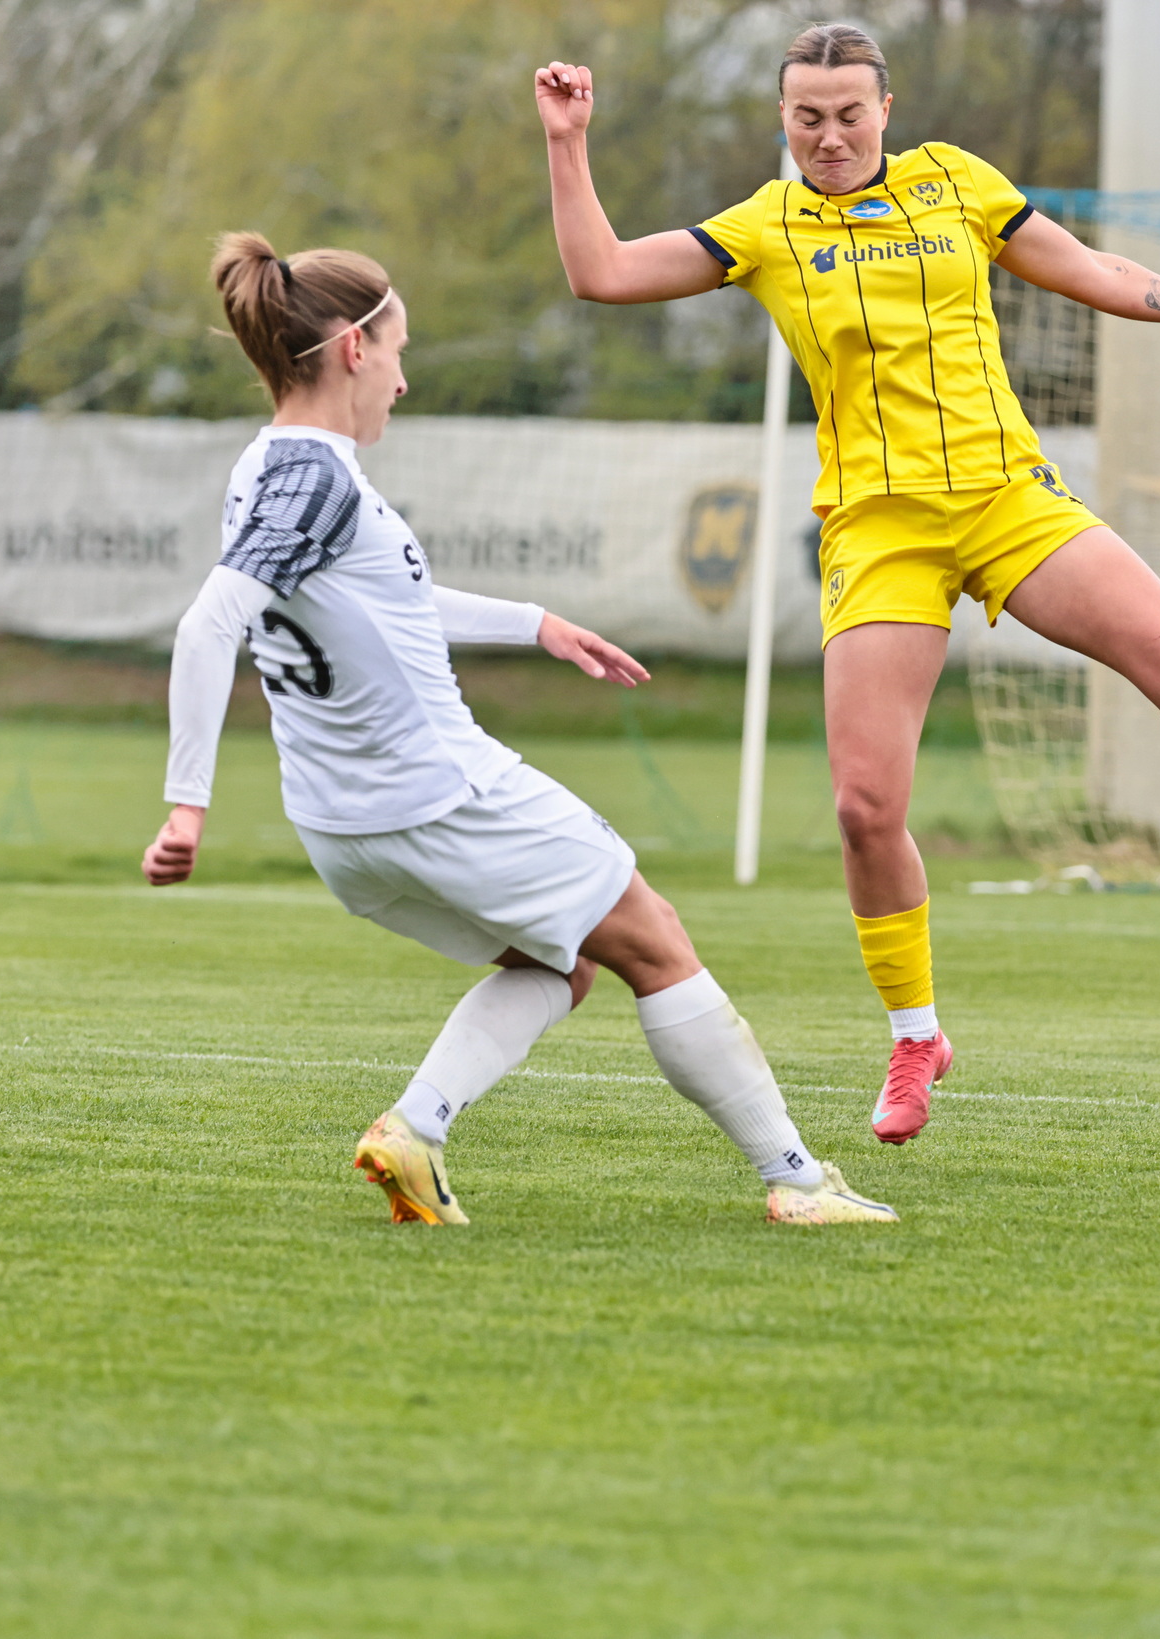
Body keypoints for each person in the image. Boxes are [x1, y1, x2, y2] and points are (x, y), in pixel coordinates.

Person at [533, 23, 1160, 1147]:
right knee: (865, 808)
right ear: (783, 119)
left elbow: (1092, 271)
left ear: (885, 112)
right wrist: (568, 141)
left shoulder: (956, 181)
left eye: (849, 114)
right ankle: (916, 1037)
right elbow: (599, 273)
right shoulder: (765, 226)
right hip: (880, 528)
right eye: (808, 117)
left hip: (1007, 498)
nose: (830, 136)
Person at [141, 230, 898, 1228]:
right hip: (441, 795)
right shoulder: (316, 475)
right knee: (656, 940)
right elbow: (208, 623)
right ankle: (796, 1180)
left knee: (562, 962)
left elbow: (380, 602)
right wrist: (186, 804)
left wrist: (533, 624)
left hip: (340, 825)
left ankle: (415, 1132)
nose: (402, 380)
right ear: (354, 349)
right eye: (398, 350)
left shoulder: (267, 469)